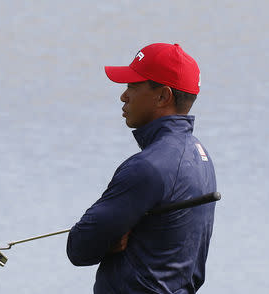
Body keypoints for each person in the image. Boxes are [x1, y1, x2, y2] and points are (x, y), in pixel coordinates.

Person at [66, 43, 217, 294]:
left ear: (163, 96)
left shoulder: (147, 167)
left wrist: (105, 240)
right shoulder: (200, 155)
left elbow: (79, 247)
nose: (123, 96)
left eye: (132, 86)